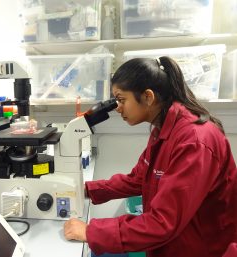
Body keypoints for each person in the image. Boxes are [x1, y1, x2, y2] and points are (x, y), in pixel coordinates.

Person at [63, 56, 237, 257]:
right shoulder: (164, 129)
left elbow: (164, 221)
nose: (117, 108)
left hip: (200, 249)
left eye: (121, 100)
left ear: (148, 96)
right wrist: (86, 190)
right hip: (172, 244)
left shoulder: (194, 141)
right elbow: (138, 179)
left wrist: (91, 231)